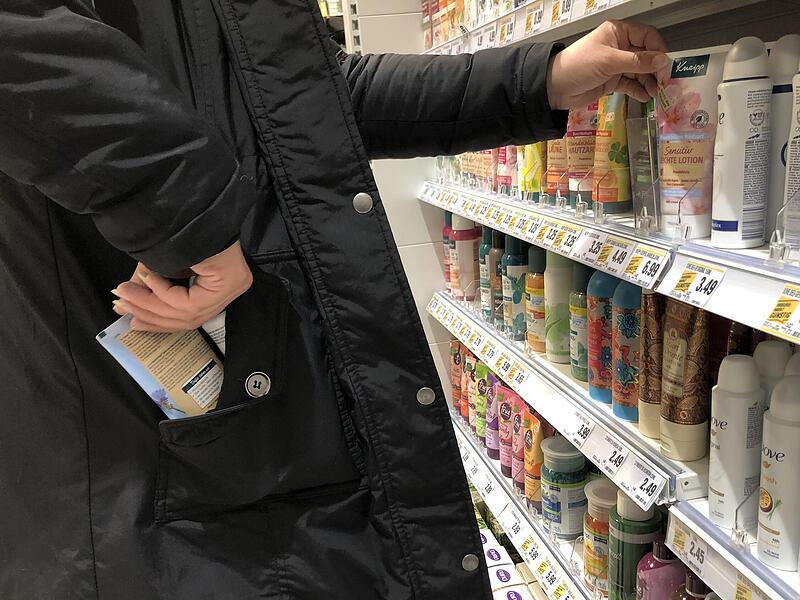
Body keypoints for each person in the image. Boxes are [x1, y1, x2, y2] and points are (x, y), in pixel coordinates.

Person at [0, 3, 667, 598]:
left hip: (276, 428)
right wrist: (189, 218)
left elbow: (304, 100)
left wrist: (542, 77)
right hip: (143, 453)